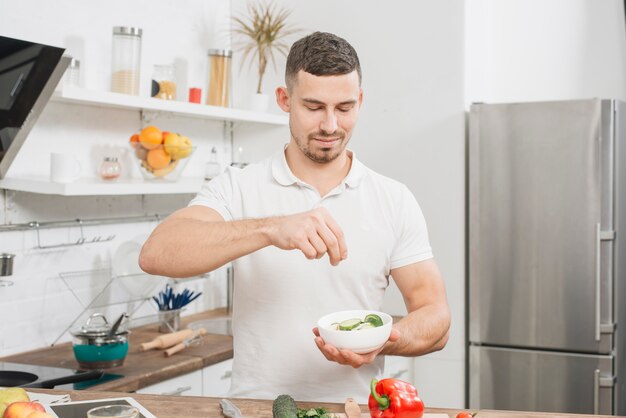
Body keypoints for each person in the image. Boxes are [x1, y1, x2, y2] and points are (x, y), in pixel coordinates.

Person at [139, 31, 450, 403]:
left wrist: (380, 342)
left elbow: (435, 317)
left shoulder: (393, 199)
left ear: (361, 101)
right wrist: (271, 228)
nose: (330, 125)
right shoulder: (239, 186)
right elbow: (157, 253)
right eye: (314, 107)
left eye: (345, 108)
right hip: (256, 410)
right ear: (285, 100)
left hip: (352, 410)